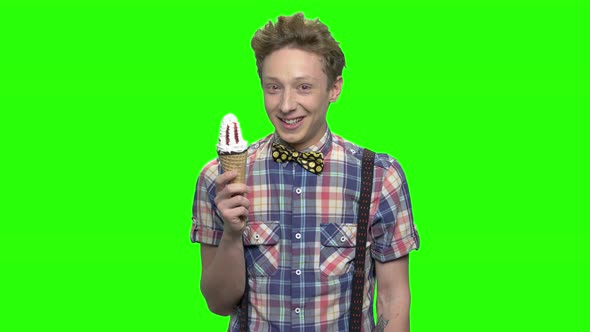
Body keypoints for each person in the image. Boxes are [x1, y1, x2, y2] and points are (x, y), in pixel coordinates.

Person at [191, 12, 419, 332]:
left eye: (303, 87)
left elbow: (393, 300)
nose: (286, 105)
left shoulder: (380, 176)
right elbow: (218, 303)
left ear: (334, 88)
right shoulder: (219, 179)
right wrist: (231, 232)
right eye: (273, 87)